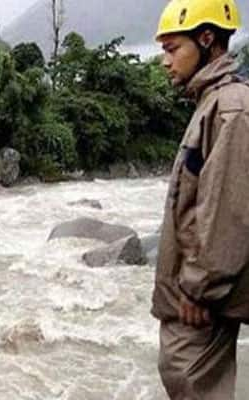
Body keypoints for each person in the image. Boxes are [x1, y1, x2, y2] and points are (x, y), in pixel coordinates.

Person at [152, 1, 249, 399]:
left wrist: (199, 287)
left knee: (192, 380)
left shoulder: (230, 108)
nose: (164, 61)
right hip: (195, 290)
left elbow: (229, 211)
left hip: (200, 297)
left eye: (173, 49)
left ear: (207, 40)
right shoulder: (212, 102)